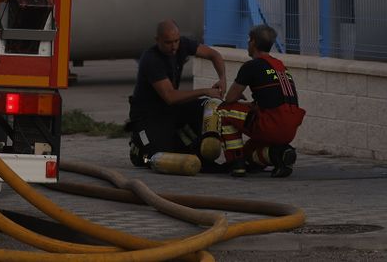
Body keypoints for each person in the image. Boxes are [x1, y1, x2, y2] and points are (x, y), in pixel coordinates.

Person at [127, 19, 229, 165]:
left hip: (170, 110)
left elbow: (214, 55)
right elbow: (170, 96)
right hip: (147, 116)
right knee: (151, 158)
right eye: (168, 42)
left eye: (176, 41)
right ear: (157, 40)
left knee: (210, 105)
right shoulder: (151, 60)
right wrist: (205, 90)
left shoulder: (183, 44)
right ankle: (139, 149)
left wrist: (223, 79)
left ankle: (203, 149)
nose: (174, 47)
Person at [219, 23, 305, 178]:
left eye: (248, 40)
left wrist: (237, 97)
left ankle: (235, 163)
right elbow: (273, 99)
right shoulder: (281, 67)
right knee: (248, 153)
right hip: (290, 127)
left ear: (253, 42)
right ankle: (278, 155)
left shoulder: (251, 66)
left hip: (271, 123)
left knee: (223, 110)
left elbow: (230, 98)